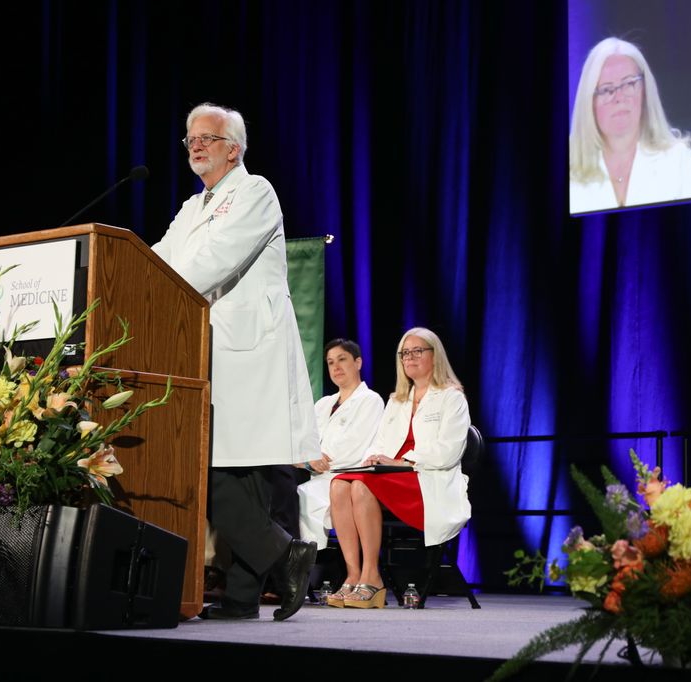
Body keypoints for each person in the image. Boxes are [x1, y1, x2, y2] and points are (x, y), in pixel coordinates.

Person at [151, 102, 319, 621]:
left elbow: (213, 262)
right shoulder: (192, 207)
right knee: (234, 472)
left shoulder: (254, 191)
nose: (195, 144)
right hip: (205, 350)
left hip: (250, 353)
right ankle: (245, 595)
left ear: (234, 148)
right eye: (189, 138)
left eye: (207, 136)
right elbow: (159, 256)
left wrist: (159, 289)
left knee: (215, 469)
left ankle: (283, 555)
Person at [328, 327, 471, 608]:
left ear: (435, 356)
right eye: (405, 352)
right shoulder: (397, 400)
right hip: (393, 477)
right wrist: (372, 458)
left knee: (360, 485)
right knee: (339, 484)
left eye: (418, 351)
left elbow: (449, 451)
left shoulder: (451, 398)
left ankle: (373, 577)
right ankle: (353, 575)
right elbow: (377, 442)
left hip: (429, 479)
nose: (410, 357)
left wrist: (404, 462)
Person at [569, 37, 691, 214]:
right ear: (589, 103)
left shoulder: (681, 163)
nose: (618, 97)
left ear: (645, 91)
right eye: (606, 89)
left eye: (628, 84)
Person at [296, 339, 385, 551]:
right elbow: (301, 443)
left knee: (294, 498)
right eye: (330, 362)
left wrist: (309, 460)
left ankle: (304, 569)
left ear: (358, 363)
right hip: (313, 476)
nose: (335, 367)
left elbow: (352, 450)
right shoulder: (323, 404)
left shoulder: (370, 401)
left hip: (342, 479)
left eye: (342, 359)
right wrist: (307, 460)